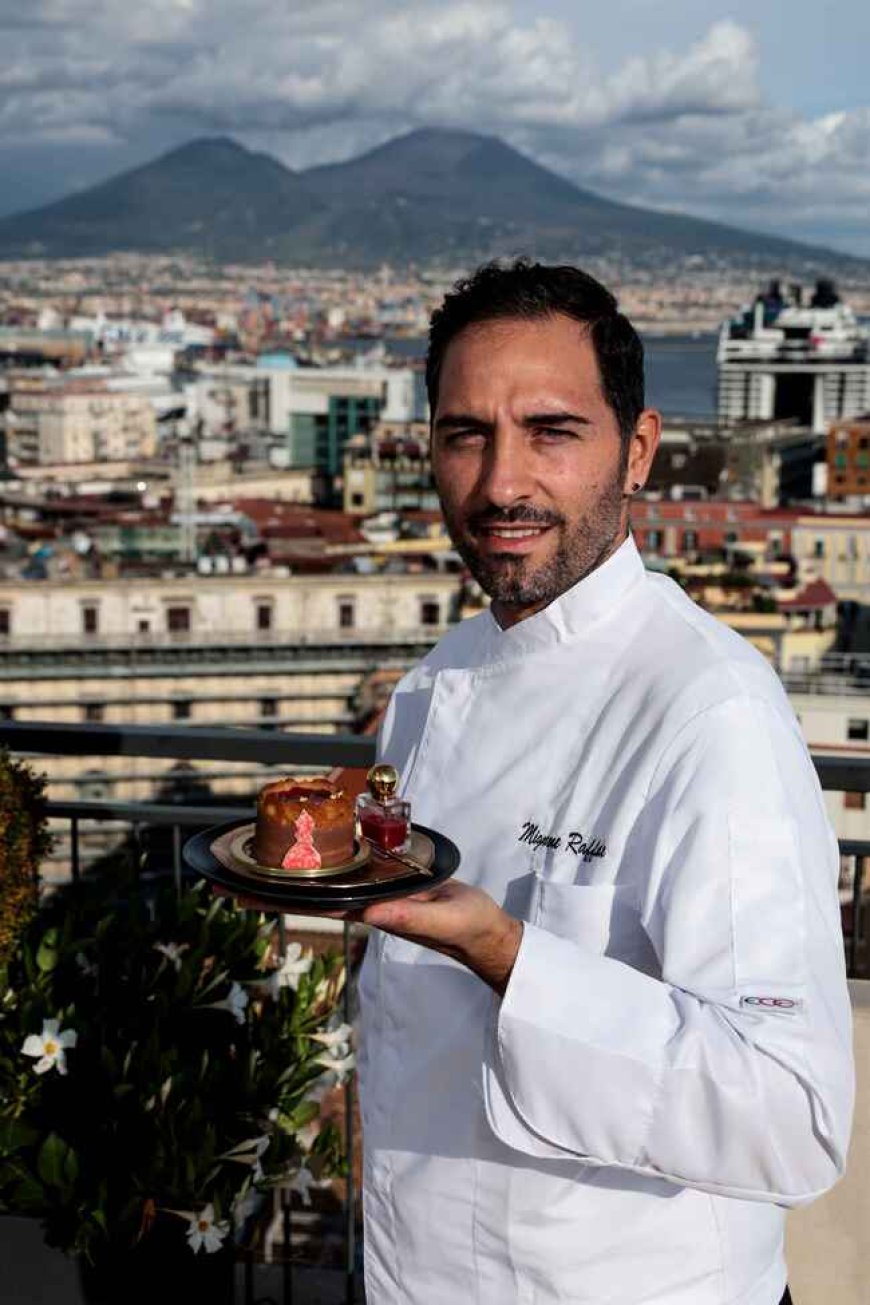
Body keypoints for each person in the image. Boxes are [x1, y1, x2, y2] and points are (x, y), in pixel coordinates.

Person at [355, 260, 854, 1305]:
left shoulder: (711, 711)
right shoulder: (431, 688)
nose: (500, 484)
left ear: (638, 451)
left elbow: (788, 1115)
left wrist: (504, 954)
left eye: (552, 431)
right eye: (465, 435)